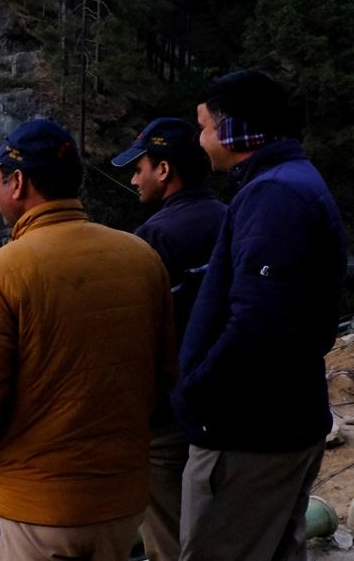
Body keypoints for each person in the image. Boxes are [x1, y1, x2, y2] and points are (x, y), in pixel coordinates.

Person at [0, 118, 176, 561]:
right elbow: (164, 374)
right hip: (122, 501)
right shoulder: (140, 257)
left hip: (39, 508)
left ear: (17, 183)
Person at [173, 70, 347, 561]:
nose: (200, 139)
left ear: (232, 131)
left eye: (205, 126)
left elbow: (258, 322)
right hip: (278, 420)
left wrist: (195, 389)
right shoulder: (284, 184)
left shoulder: (275, 195)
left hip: (249, 434)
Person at [110, 117, 227, 561]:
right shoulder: (227, 218)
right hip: (218, 403)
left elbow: (134, 330)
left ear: (164, 170)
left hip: (166, 415)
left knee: (167, 536)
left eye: (139, 166)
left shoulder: (156, 237)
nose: (133, 177)